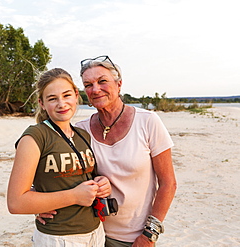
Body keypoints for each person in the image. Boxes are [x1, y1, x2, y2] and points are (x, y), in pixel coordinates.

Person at [38, 56, 177, 247]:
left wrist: (149, 235)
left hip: (136, 237)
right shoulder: (80, 130)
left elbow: (168, 183)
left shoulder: (148, 121)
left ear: (119, 85)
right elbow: (54, 173)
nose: (95, 89)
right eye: (88, 84)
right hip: (91, 234)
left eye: (102, 81)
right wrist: (38, 204)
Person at [7, 68, 111, 247]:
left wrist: (102, 184)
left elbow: (79, 178)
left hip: (96, 233)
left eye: (66, 95)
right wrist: (73, 196)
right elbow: (16, 203)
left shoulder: (82, 135)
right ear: (41, 103)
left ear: (76, 95)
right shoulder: (35, 136)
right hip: (59, 238)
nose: (62, 104)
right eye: (52, 99)